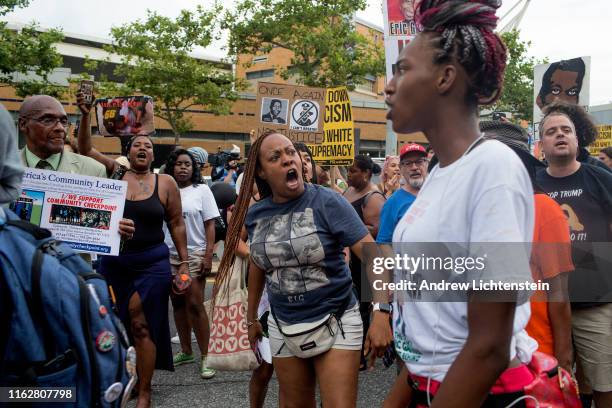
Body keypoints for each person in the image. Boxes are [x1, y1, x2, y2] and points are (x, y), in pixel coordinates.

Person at [384, 1, 537, 406]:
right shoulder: (439, 174)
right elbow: (428, 347)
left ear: (445, 77)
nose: (388, 85)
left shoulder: (493, 168)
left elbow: (488, 347)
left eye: (402, 70)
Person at [214, 131, 392, 407]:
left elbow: (374, 257)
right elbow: (259, 265)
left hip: (337, 319)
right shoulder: (256, 214)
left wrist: (381, 312)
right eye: (276, 157)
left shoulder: (328, 201)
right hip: (283, 326)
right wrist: (251, 319)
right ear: (261, 170)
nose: (287, 160)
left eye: (290, 153)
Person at [98, 135, 191, 408]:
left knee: (141, 323)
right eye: (137, 144)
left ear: (154, 156)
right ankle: (132, 379)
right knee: (119, 326)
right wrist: (86, 113)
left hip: (153, 263)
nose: (143, 148)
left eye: (148, 146)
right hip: (115, 264)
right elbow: (85, 149)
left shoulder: (166, 183)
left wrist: (183, 262)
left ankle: (146, 390)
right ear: (128, 152)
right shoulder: (115, 175)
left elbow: (176, 222)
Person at [480, 120, 574, 372]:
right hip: (476, 355)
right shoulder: (473, 209)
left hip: (532, 355)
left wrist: (563, 361)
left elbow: (558, 292)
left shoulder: (544, 209)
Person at [535, 109, 612, 408]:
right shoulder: (532, 183)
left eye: (566, 130)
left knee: (604, 383)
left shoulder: (602, 178)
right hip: (547, 305)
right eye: (552, 131)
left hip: (595, 302)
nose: (560, 135)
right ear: (541, 145)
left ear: (577, 140)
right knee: (552, 381)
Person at [163, 149, 219, 379]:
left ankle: (207, 356)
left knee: (195, 303)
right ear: (171, 166)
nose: (183, 167)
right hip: (167, 254)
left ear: (194, 168)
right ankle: (186, 351)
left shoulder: (202, 190)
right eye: (178, 164)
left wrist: (208, 256)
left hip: (194, 255)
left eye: (188, 164)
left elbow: (210, 225)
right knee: (176, 302)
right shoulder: (165, 188)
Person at [342, 155, 386, 369]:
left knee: (362, 307)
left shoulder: (374, 198)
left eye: (353, 171)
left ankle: (361, 355)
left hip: (365, 258)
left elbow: (379, 230)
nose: (348, 175)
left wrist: (350, 227)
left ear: (366, 174)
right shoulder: (349, 191)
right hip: (349, 258)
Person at [18, 95, 106, 177]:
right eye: (48, 120)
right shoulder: (5, 166)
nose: (60, 128)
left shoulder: (94, 171)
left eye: (63, 122)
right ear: (23, 124)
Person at [377, 143, 428, 245]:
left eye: (419, 162)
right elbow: (383, 243)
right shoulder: (392, 203)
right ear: (401, 168)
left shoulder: (440, 194)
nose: (414, 167)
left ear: (427, 164)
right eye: (408, 163)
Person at [541, 101, 611, 173]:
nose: (559, 133)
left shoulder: (600, 173)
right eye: (551, 131)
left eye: (566, 129)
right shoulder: (536, 172)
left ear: (577, 134)